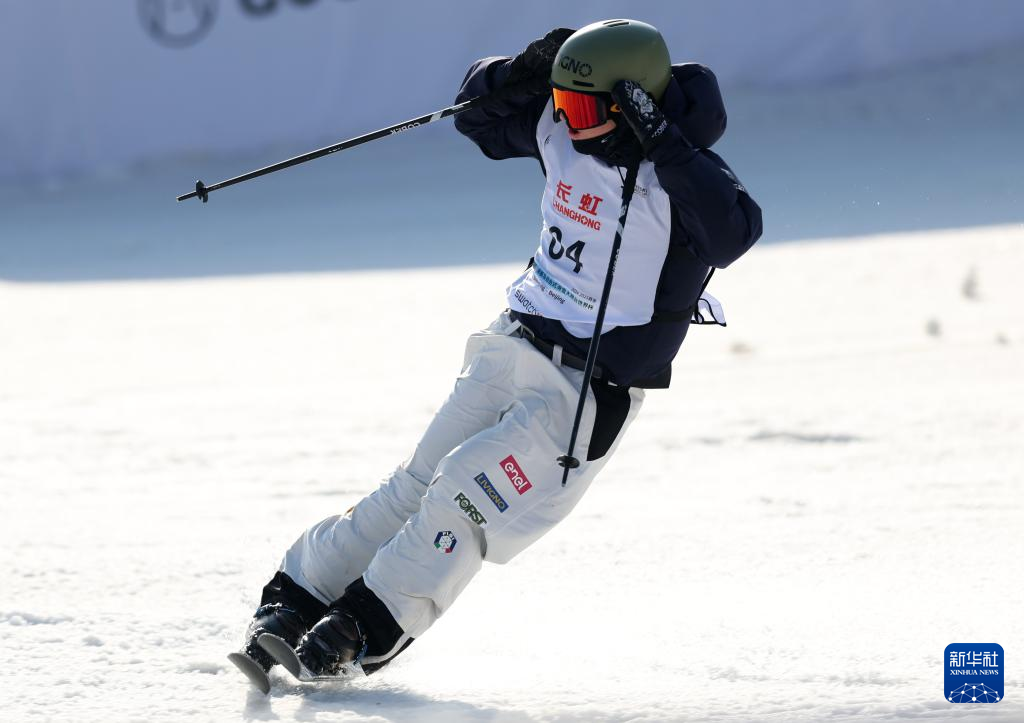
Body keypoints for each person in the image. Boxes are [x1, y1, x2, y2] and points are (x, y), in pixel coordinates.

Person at [230, 19, 762, 688]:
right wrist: (520, 71)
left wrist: (665, 145)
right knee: (415, 485)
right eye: (562, 105)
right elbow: (476, 119)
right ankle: (298, 596)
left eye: (584, 110)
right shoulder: (563, 131)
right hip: (511, 343)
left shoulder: (682, 177)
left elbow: (734, 232)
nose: (567, 123)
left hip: (581, 393)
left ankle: (363, 625)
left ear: (634, 104)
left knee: (464, 494)